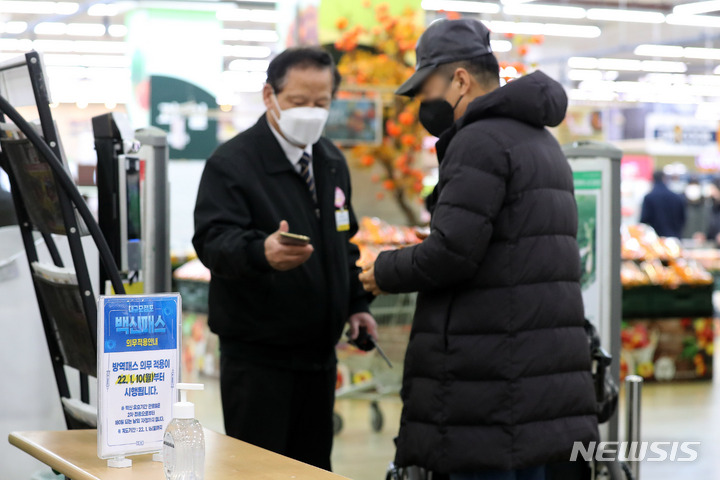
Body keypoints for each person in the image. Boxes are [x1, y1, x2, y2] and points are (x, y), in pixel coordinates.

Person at [359, 19, 599, 480]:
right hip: (539, 379)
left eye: (427, 89)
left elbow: (452, 252)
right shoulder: (541, 141)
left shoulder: (477, 140)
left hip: (488, 388)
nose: (423, 105)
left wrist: (382, 270)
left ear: (461, 79)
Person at [192, 47, 377, 471]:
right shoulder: (233, 163)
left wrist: (356, 304)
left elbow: (343, 242)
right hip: (259, 360)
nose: (310, 112)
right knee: (260, 470)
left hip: (318, 356)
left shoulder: (331, 161)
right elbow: (212, 241)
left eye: (322, 103)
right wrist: (261, 253)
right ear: (269, 96)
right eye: (298, 102)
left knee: (312, 467)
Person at [640, 170, 686, 238]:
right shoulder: (676, 197)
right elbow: (682, 218)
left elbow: (644, 220)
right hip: (674, 237)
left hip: (655, 240)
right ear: (664, 179)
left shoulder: (649, 198)